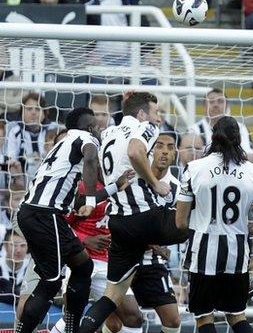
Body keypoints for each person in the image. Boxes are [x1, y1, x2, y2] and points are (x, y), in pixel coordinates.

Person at [15, 107, 133, 333]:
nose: (100, 131)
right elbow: (90, 159)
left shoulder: (63, 146)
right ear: (90, 127)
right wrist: (90, 198)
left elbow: (76, 201)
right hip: (44, 214)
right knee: (51, 282)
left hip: (40, 213)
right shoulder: (86, 138)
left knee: (82, 265)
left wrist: (113, 187)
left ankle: (71, 328)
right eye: (98, 127)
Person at [78, 93, 188, 333]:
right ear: (141, 115)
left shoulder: (107, 133)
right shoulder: (145, 127)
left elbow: (93, 166)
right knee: (196, 220)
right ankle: (232, 282)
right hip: (146, 217)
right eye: (155, 112)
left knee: (110, 298)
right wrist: (155, 183)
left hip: (119, 223)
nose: (158, 119)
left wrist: (103, 190)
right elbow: (135, 152)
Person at [175, 116, 253, 333]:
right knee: (236, 316)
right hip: (237, 256)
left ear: (213, 137)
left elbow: (180, 222)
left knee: (204, 319)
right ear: (239, 139)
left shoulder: (194, 168)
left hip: (202, 254)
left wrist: (207, 222)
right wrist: (238, 229)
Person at [188, 89, 253, 160]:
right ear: (204, 106)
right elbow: (189, 158)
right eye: (211, 101)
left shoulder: (240, 128)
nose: (216, 105)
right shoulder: (194, 129)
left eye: (220, 101)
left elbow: (250, 156)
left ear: (227, 106)